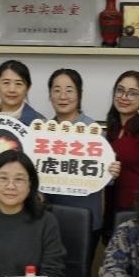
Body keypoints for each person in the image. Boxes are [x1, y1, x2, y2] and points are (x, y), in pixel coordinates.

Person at [44, 68, 105, 232]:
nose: (63, 96)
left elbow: (106, 177)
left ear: (79, 94)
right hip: (49, 217)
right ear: (50, 96)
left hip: (85, 218)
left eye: (69, 90)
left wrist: (111, 171)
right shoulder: (42, 131)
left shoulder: (93, 130)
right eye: (57, 90)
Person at [104, 70, 139, 215]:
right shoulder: (112, 128)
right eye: (120, 90)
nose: (124, 97)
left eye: (132, 93)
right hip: (112, 205)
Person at [0, 59, 45, 125]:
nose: (12, 90)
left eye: (18, 84)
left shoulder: (40, 123)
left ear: (28, 88)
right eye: (6, 83)